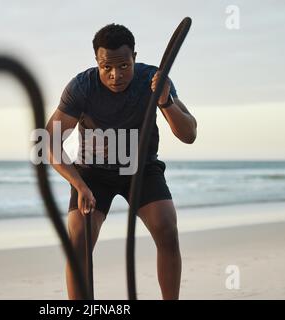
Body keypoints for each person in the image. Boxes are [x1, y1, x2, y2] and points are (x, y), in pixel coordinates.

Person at [45, 23, 197, 300]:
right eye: (107, 67)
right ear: (97, 62)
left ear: (134, 58)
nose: (116, 75)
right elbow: (49, 142)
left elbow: (189, 134)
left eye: (124, 66)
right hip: (92, 172)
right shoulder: (82, 87)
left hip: (142, 168)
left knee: (166, 226)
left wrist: (165, 102)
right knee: (78, 239)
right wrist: (78, 185)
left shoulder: (153, 79)